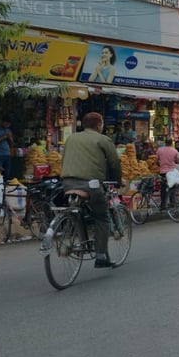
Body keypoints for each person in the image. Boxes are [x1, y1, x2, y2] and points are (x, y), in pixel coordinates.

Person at [60, 112, 123, 268]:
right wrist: (119, 180)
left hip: (67, 183)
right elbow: (114, 162)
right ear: (98, 125)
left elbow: (64, 158)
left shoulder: (71, 138)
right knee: (102, 217)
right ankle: (101, 256)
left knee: (79, 210)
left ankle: (81, 236)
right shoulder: (103, 139)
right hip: (90, 184)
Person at [156, 138, 179, 209]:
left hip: (163, 172)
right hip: (172, 172)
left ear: (165, 142)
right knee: (172, 188)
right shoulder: (174, 151)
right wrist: (172, 161)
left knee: (163, 189)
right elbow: (178, 161)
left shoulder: (160, 150)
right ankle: (173, 203)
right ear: (171, 143)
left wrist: (160, 164)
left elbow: (156, 160)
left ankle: (163, 204)